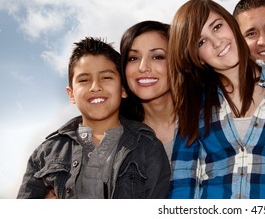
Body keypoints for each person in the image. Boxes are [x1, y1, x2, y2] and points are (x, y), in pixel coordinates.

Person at [167, 0, 265, 199]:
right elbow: (183, 182)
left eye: (217, 27)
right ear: (197, 56)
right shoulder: (193, 103)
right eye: (201, 42)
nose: (217, 43)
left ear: (232, 24)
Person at [17, 37, 171, 199]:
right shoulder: (45, 153)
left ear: (123, 89)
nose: (95, 87)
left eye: (106, 78)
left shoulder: (147, 147)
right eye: (84, 80)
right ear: (71, 94)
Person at [119, 21, 177, 162]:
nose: (143, 67)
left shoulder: (210, 120)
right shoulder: (119, 137)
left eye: (157, 57)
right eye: (133, 58)